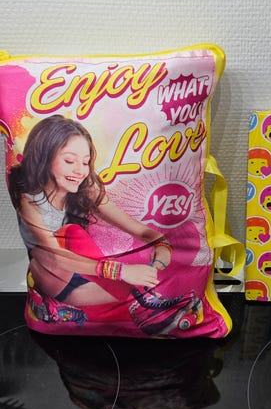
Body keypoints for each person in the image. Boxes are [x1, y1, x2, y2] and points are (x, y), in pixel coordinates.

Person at [8, 115, 172, 308]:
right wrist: (120, 271)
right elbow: (53, 255)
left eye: (85, 162)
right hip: (57, 282)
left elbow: (141, 231)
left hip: (89, 279)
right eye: (70, 160)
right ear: (43, 158)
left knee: (136, 290)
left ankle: (143, 304)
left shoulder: (86, 188)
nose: (80, 170)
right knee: (68, 235)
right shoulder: (29, 199)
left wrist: (161, 245)